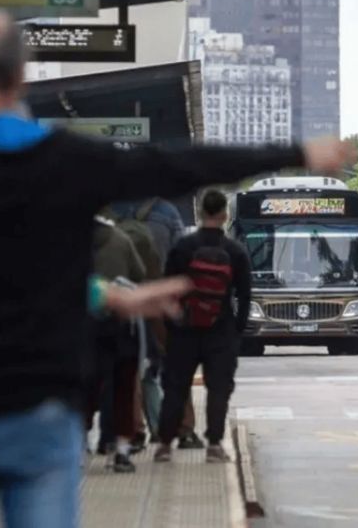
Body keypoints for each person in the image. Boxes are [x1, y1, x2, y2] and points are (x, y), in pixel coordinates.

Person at [0, 8, 356, 528]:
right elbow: (181, 164)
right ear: (21, 74)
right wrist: (296, 151)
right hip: (42, 406)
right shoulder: (70, 161)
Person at [155, 190, 251, 464]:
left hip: (184, 329)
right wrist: (237, 331)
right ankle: (214, 446)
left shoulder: (183, 247)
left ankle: (164, 445)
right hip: (220, 332)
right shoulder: (234, 251)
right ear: (224, 215)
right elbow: (244, 296)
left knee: (175, 387)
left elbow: (168, 288)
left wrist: (171, 323)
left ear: (200, 213)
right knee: (218, 389)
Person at [110, 198, 203, 448]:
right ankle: (183, 430)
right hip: (162, 298)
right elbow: (183, 255)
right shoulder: (166, 211)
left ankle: (133, 433)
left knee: (129, 367)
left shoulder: (112, 210)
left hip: (124, 298)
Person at [86, 217, 146, 473]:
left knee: (86, 385)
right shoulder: (121, 240)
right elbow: (139, 274)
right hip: (121, 323)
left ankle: (80, 447)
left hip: (85, 325)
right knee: (122, 387)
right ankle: (120, 450)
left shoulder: (70, 239)